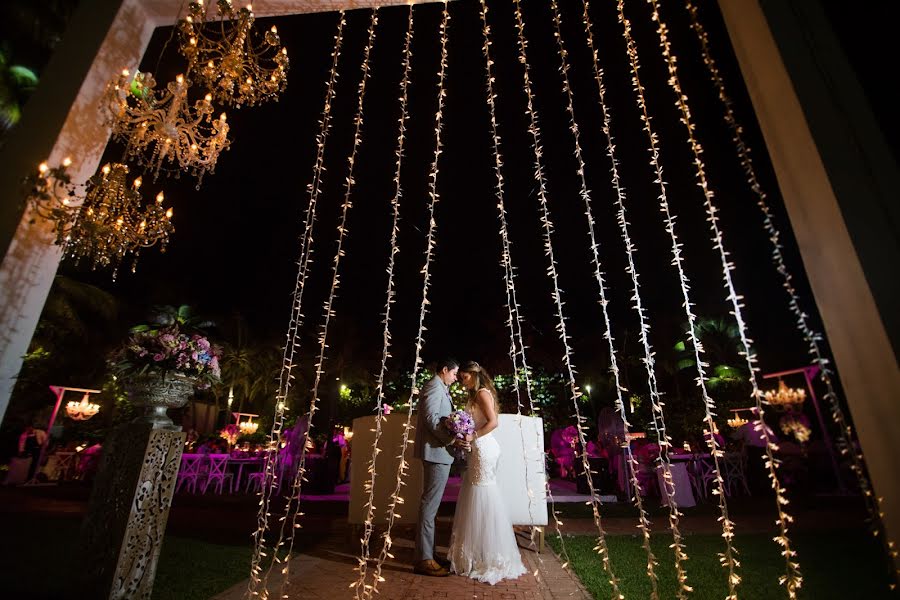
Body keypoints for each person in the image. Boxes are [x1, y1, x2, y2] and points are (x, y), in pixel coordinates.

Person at [448, 361, 526, 585]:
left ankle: (489, 554)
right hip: (477, 449)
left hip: (484, 448)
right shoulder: (475, 395)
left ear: (473, 375)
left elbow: (493, 422)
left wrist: (473, 436)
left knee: (483, 493)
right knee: (475, 493)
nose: (462, 382)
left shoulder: (482, 393)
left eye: (464, 377)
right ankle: (479, 550)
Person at [412, 357, 467, 577]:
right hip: (435, 453)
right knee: (429, 505)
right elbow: (431, 418)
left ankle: (429, 554)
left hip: (439, 453)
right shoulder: (434, 387)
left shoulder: (440, 387)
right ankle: (424, 559)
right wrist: (452, 440)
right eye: (454, 374)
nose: (455, 378)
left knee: (431, 506)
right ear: (444, 370)